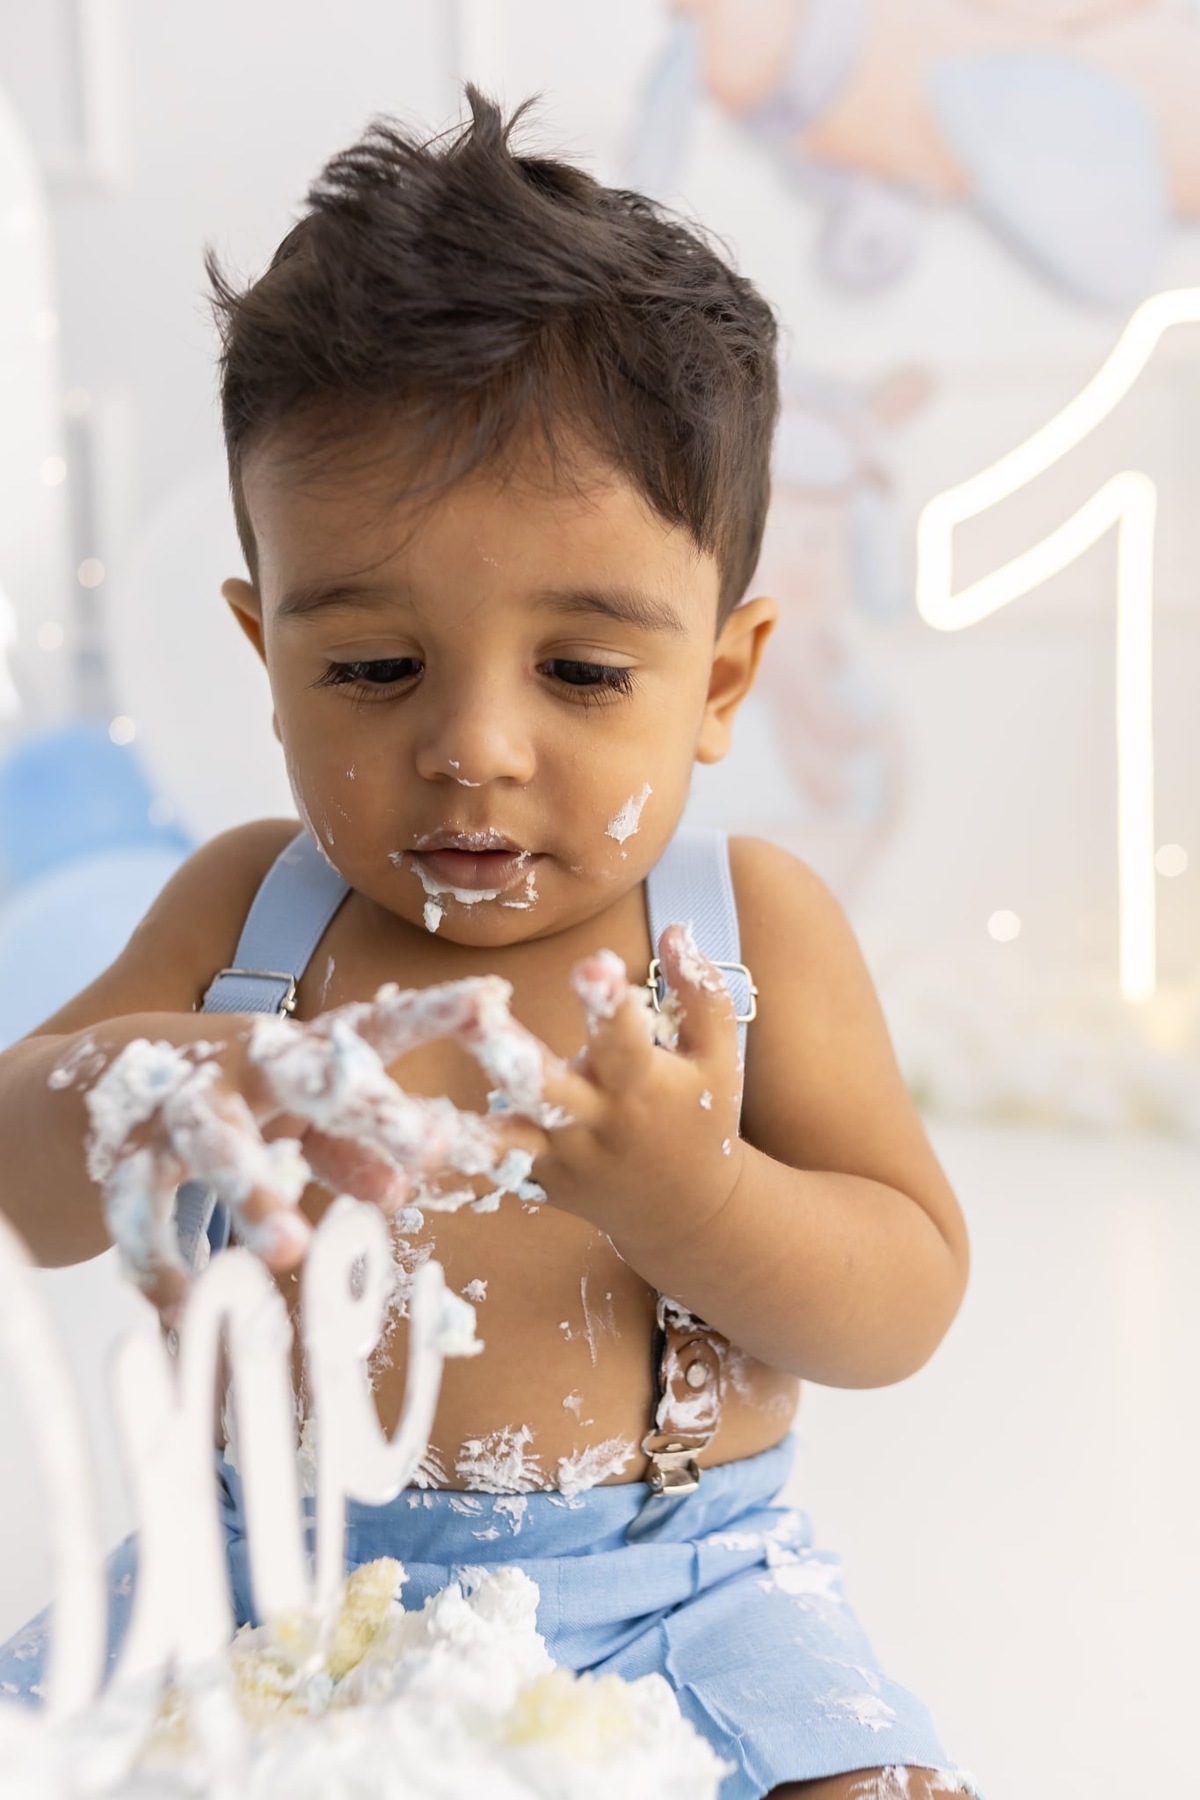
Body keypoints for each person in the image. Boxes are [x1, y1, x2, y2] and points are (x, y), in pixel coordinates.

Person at [0, 90, 977, 1799]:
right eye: (373, 668)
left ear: (722, 680)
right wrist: (167, 1079)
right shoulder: (250, 915)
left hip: (680, 1594)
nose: (475, 747)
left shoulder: (744, 938)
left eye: (585, 673)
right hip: (263, 1578)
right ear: (265, 647)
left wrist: (696, 1200)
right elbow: (24, 1184)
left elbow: (900, 1302)